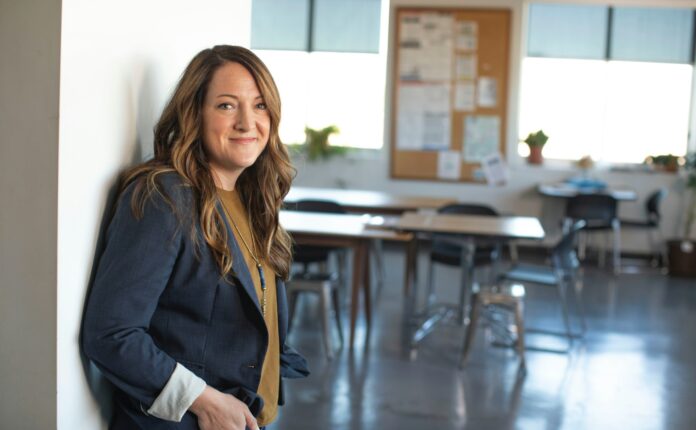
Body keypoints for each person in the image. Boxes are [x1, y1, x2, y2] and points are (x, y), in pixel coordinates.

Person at [82, 45, 309, 430]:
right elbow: (111, 333)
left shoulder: (252, 198)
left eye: (259, 105)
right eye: (226, 105)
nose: (247, 122)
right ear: (195, 113)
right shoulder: (165, 196)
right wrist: (204, 401)